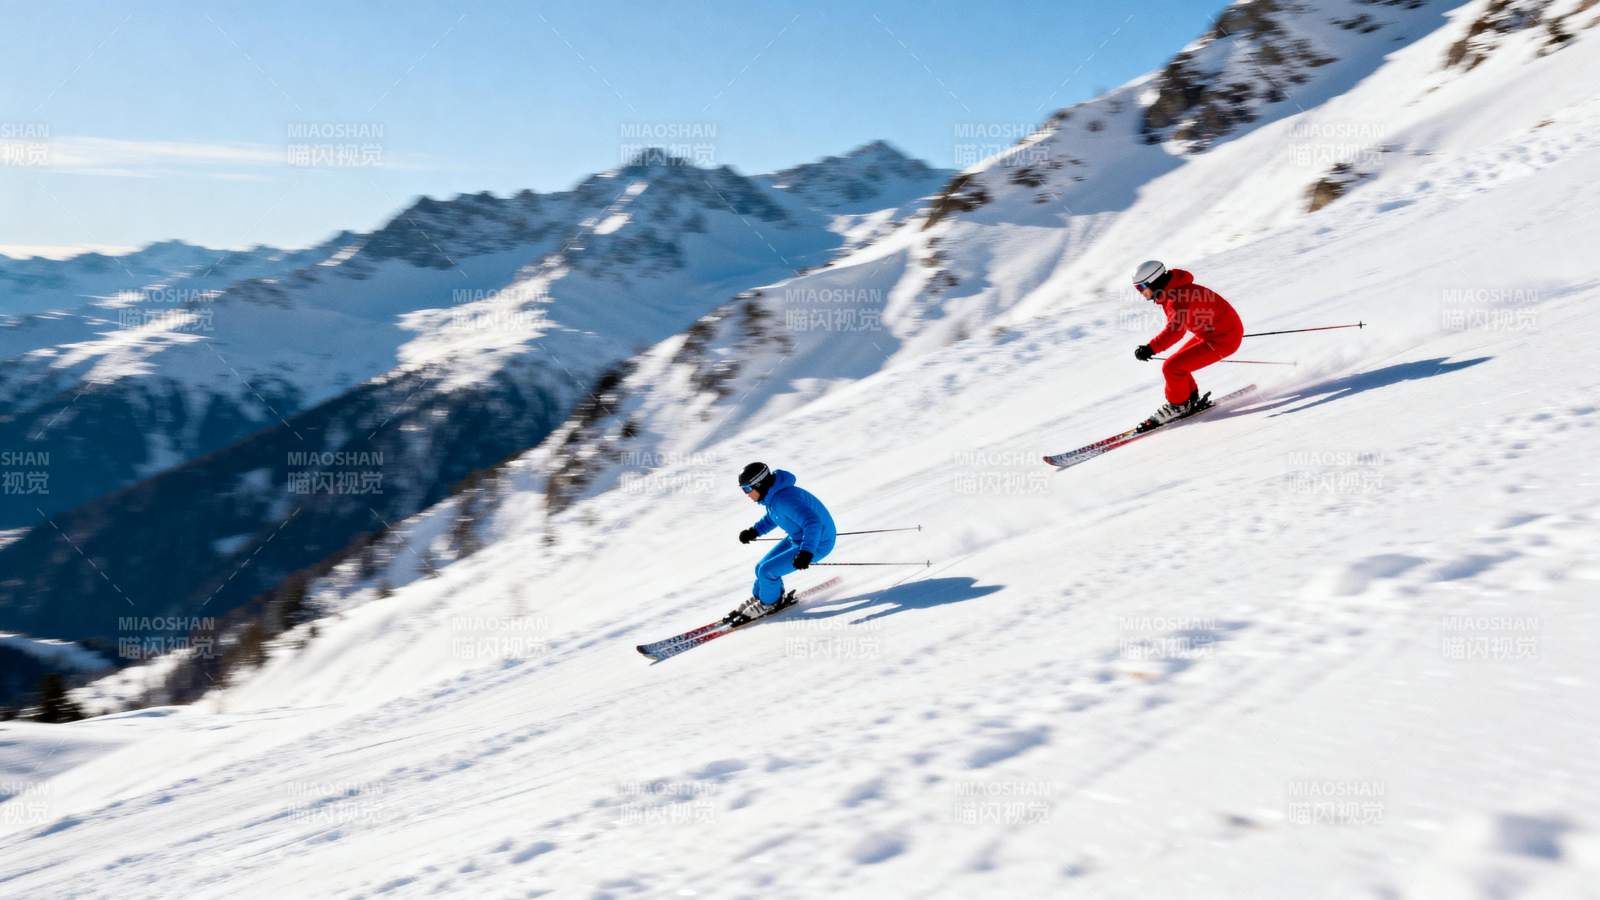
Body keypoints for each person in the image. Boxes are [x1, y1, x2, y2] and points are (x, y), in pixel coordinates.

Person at [1130, 260, 1244, 430]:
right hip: (1214, 333)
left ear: (1154, 281)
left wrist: (1150, 348)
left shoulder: (1177, 298)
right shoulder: (1173, 291)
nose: (1141, 293)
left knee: (1172, 368)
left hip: (1223, 339)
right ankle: (1189, 399)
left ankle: (1178, 406)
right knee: (1176, 364)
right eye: (1137, 289)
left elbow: (1175, 331)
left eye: (1141, 287)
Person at [729, 462, 837, 624]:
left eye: (747, 489)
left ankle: (769, 603)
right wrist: (754, 531)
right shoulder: (774, 497)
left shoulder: (784, 499)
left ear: (759, 484)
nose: (746, 494)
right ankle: (764, 596)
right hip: (799, 538)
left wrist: (806, 552)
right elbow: (774, 516)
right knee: (760, 567)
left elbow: (813, 522)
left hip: (817, 543)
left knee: (767, 571)